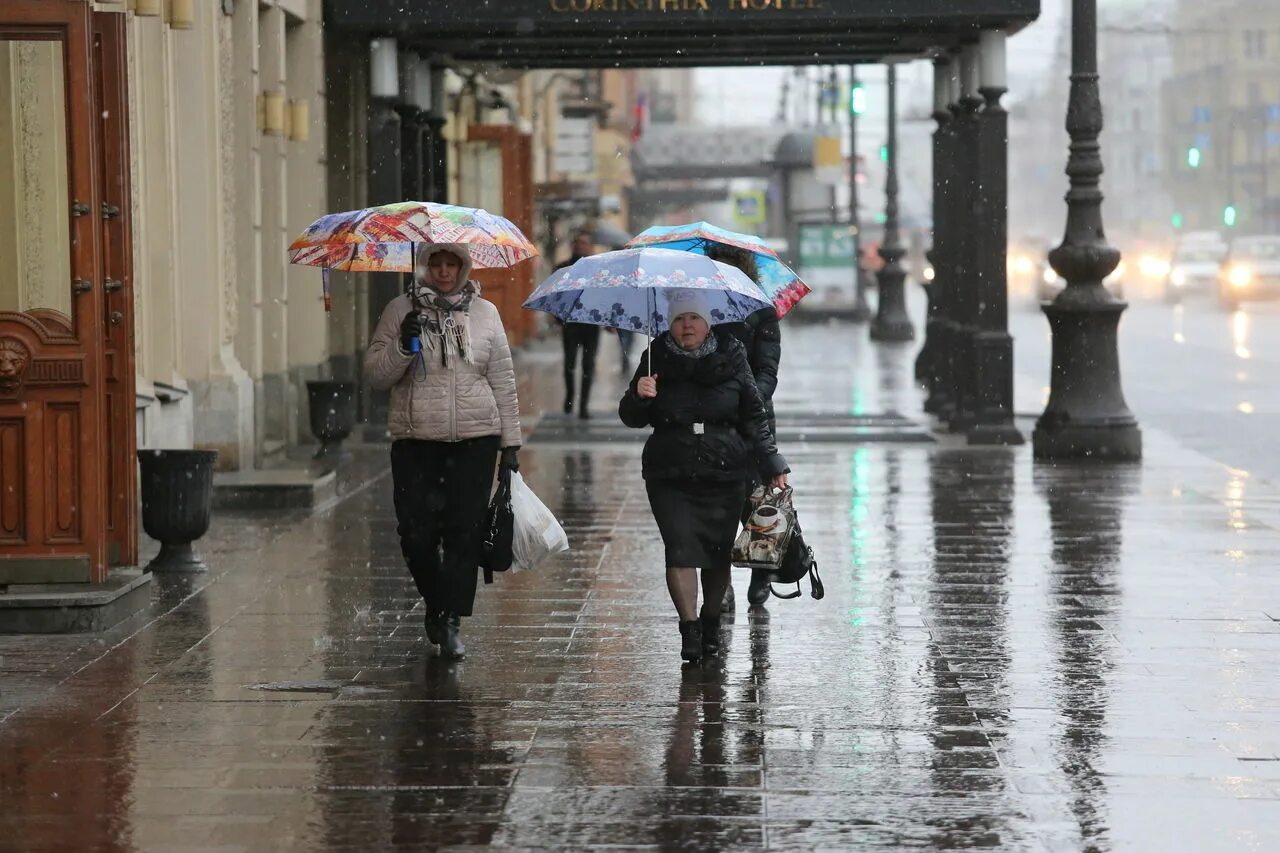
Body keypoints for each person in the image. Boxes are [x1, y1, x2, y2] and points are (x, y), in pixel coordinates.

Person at [363, 243, 522, 660]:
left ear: (465, 267)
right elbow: (376, 376)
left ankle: (450, 618)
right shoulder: (400, 309)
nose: (445, 271)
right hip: (416, 441)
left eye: (453, 263)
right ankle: (436, 599)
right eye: (437, 263)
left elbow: (502, 380)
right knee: (415, 535)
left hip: (475, 439)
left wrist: (511, 444)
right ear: (426, 265)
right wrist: (403, 344)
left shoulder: (486, 314)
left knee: (462, 532)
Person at [619, 289, 789, 663]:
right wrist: (639, 395)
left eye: (694, 318)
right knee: (679, 548)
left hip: (724, 469)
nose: (686, 326)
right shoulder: (656, 356)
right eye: (679, 319)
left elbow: (753, 415)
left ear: (707, 321)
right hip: (670, 471)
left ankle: (711, 623)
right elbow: (631, 416)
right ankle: (690, 629)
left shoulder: (731, 354)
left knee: (716, 555)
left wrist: (773, 462)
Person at [704, 243, 783, 611]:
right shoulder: (700, 311)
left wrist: (747, 398)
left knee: (756, 497)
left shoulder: (761, 311)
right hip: (713, 420)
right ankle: (721, 578)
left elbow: (767, 371)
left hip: (753, 419)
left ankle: (761, 567)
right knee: (719, 500)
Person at [556, 230, 600, 419]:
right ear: (573, 245)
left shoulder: (597, 269)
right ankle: (570, 397)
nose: (582, 246)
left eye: (586, 243)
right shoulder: (563, 267)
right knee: (569, 364)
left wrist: (609, 322)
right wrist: (559, 317)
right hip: (571, 323)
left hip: (591, 323)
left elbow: (603, 297)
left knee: (588, 366)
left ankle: (583, 405)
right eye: (579, 243)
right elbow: (555, 295)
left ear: (590, 247)